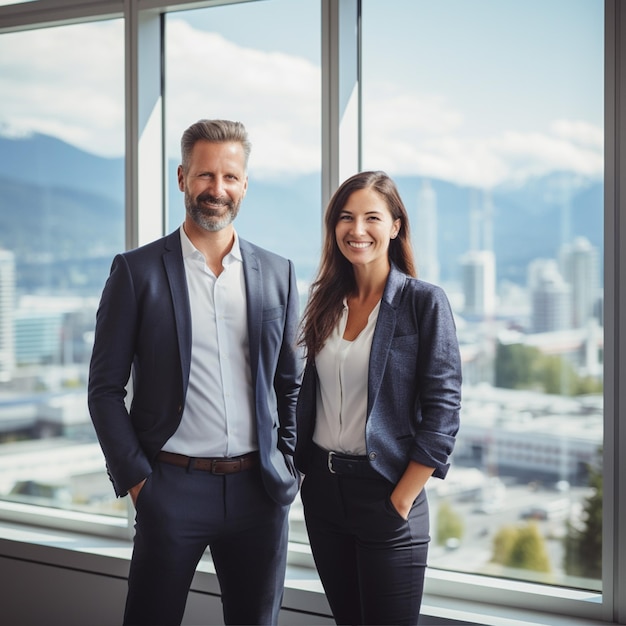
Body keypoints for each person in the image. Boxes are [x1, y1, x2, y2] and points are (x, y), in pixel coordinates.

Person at [88, 119, 302, 626]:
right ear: (182, 178)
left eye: (230, 178)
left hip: (259, 493)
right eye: (206, 176)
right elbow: (103, 391)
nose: (217, 190)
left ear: (245, 185)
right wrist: (140, 483)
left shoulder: (278, 273)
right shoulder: (136, 272)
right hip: (170, 488)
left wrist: (287, 465)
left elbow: (291, 383)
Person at [294, 170, 462, 625]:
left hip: (387, 493)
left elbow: (444, 411)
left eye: (372, 217)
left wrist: (402, 500)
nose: (357, 230)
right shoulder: (324, 303)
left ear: (396, 226)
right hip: (324, 497)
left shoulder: (424, 302)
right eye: (346, 218)